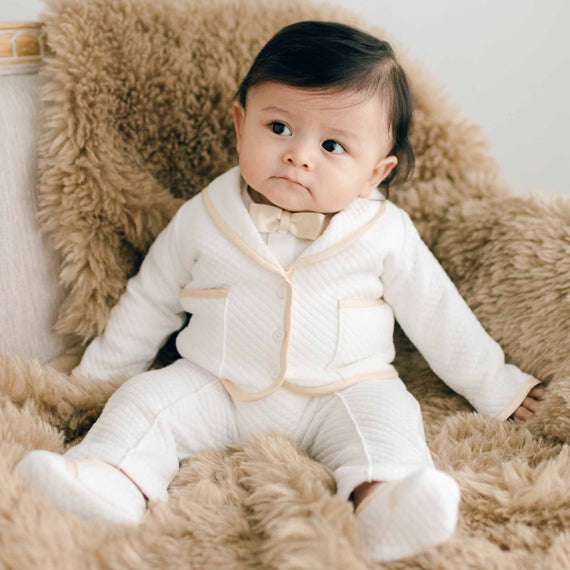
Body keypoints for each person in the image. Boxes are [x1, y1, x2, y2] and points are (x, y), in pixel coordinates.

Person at [15, 21, 546, 562]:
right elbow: (151, 298)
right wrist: (98, 377)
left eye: (333, 144)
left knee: (389, 423)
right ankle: (109, 481)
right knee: (144, 403)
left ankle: (385, 501)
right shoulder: (205, 216)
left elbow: (438, 313)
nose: (299, 155)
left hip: (345, 388)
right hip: (215, 383)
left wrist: (496, 385)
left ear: (374, 174)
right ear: (241, 124)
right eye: (279, 128)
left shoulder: (385, 233)